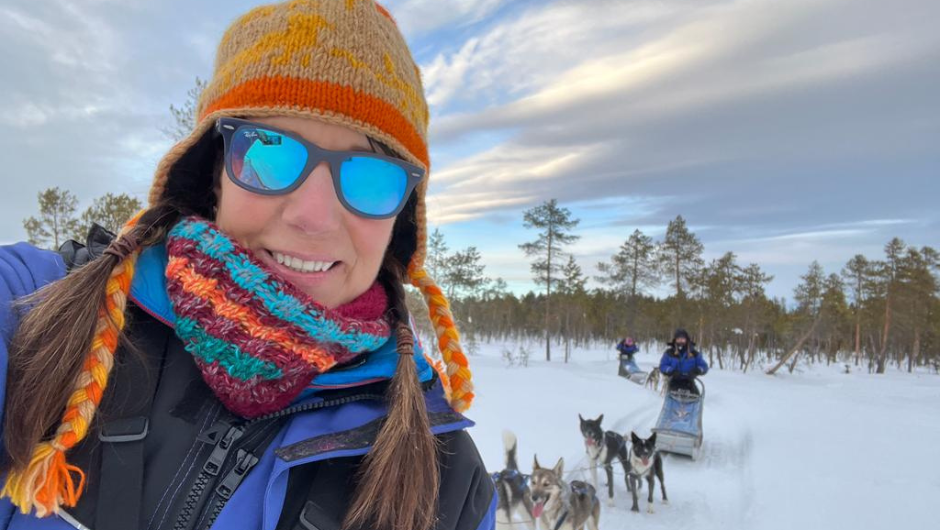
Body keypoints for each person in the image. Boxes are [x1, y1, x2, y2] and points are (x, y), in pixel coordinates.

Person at [0, 2, 494, 530]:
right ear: (215, 173)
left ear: (400, 218)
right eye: (270, 151)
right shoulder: (38, 310)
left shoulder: (448, 488)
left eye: (370, 176)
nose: (313, 217)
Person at [659, 329, 708, 395]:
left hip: (689, 382)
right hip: (674, 381)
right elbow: (663, 366)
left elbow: (704, 366)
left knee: (695, 399)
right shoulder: (669, 353)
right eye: (678, 339)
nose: (680, 341)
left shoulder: (694, 353)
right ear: (675, 340)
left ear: (686, 339)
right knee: (673, 399)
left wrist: (697, 370)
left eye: (682, 339)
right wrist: (671, 371)